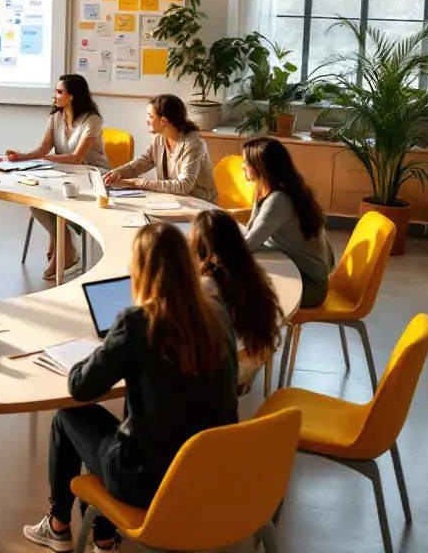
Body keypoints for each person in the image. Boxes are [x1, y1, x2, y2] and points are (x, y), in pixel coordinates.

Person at [23, 223, 238, 552]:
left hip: (149, 482)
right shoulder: (219, 315)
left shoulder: (137, 323)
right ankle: (103, 535)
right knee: (120, 432)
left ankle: (58, 526)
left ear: (141, 271)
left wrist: (102, 351)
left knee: (69, 416)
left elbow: (80, 388)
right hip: (213, 475)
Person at [5, 73, 110, 280]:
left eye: (59, 92)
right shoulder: (55, 117)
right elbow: (43, 148)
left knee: (55, 201)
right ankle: (66, 246)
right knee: (36, 202)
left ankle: (64, 250)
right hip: (64, 174)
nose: (54, 95)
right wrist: (23, 156)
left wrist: (45, 159)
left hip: (93, 176)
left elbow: (77, 158)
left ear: (72, 96)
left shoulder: (92, 120)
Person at [190, 208, 284, 393]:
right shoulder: (253, 275)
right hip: (248, 365)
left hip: (222, 376)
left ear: (202, 248)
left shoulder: (208, 288)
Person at [242, 136, 335, 308]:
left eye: (246, 162)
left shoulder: (279, 200)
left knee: (238, 288)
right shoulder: (283, 190)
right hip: (300, 273)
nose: (242, 166)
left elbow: (249, 244)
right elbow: (251, 231)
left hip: (308, 286)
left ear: (261, 168)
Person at [105, 94, 217, 203]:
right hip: (174, 200)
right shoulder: (159, 139)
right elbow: (140, 163)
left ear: (163, 121)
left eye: (150, 116)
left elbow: (184, 186)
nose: (147, 120)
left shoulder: (193, 142)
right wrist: (117, 173)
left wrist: (139, 183)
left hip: (200, 203)